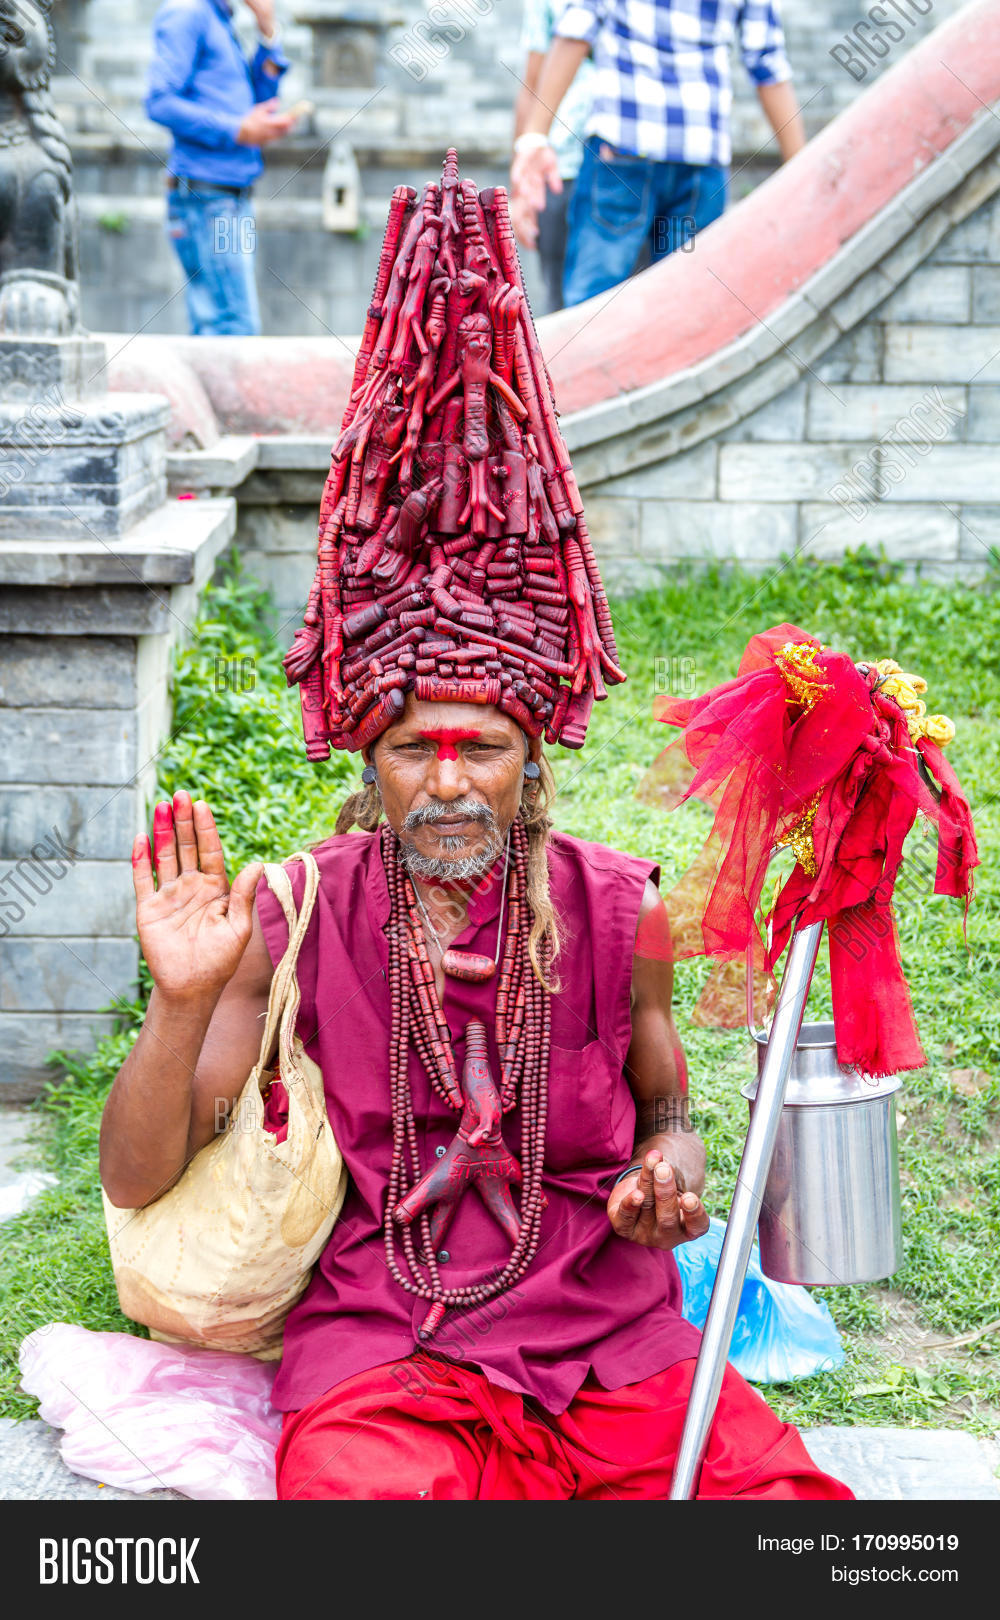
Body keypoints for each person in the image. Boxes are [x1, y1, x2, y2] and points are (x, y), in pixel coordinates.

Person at [99, 154, 851, 1502]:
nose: (448, 784)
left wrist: (669, 1172)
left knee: (788, 1515)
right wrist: (178, 1003)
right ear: (369, 761)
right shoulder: (300, 911)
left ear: (531, 760)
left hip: (612, 1349)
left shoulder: (623, 907)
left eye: (482, 750)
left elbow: (667, 1101)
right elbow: (139, 1178)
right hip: (391, 1352)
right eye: (412, 751)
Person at [512, 0, 807, 308]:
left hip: (622, 150)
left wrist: (534, 136)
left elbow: (577, 28)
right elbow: (767, 61)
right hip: (700, 153)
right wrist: (801, 170)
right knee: (687, 307)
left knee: (593, 305)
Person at [145, 0, 298, 335]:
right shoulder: (188, 12)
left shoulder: (219, 17)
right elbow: (159, 101)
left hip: (227, 194)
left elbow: (254, 102)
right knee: (232, 328)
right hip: (207, 197)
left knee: (221, 327)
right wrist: (236, 129)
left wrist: (267, 27)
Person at [512, 0, 594, 313]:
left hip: (628, 164)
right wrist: (521, 190)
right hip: (559, 169)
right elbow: (530, 85)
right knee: (561, 301)